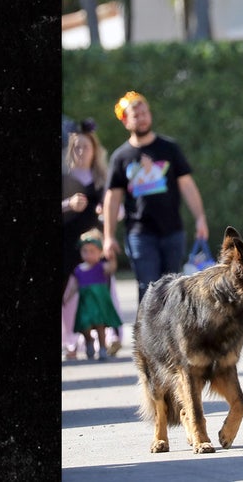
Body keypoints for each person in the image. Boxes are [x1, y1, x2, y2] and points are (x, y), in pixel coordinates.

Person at [103, 90, 209, 304]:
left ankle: (173, 337)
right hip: (139, 233)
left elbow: (187, 185)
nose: (141, 118)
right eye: (135, 115)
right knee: (148, 286)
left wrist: (200, 218)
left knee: (173, 289)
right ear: (125, 121)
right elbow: (112, 198)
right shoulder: (121, 157)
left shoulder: (169, 148)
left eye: (144, 113)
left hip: (172, 231)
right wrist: (108, 236)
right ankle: (148, 337)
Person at [62, 120, 123, 359]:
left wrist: (105, 212)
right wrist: (69, 204)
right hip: (67, 243)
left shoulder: (103, 179)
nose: (80, 151)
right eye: (76, 147)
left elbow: (120, 210)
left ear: (94, 150)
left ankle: (110, 337)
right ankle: (71, 341)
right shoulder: (64, 178)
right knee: (69, 292)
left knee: (103, 289)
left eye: (85, 147)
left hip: (96, 244)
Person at [63, 228, 123, 361]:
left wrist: (112, 256)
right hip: (85, 304)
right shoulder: (78, 270)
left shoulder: (101, 267)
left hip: (99, 302)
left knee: (100, 325)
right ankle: (88, 342)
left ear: (100, 252)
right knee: (85, 326)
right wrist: (66, 298)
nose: (88, 254)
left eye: (92, 251)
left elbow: (112, 268)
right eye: (85, 251)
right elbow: (73, 287)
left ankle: (102, 348)